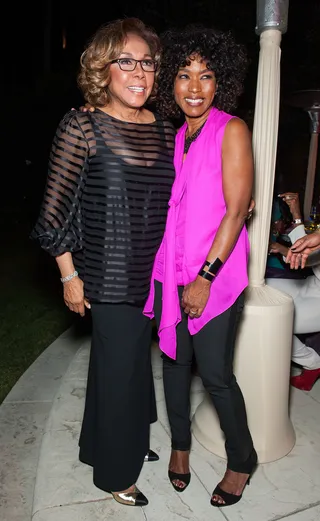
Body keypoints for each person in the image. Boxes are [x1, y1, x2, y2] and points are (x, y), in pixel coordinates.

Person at [30, 18, 176, 507]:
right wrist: (69, 275)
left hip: (154, 274)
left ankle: (109, 442)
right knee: (119, 371)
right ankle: (115, 472)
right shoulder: (82, 125)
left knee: (130, 364)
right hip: (109, 275)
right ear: (103, 68)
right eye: (126, 61)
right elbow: (54, 211)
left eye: (148, 62)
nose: (140, 72)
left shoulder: (166, 129)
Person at [143, 25, 257, 508]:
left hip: (212, 276)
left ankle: (241, 460)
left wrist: (205, 279)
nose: (194, 87)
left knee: (214, 375)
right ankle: (181, 447)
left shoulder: (230, 128)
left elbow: (237, 209)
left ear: (221, 82)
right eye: (185, 76)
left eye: (206, 76)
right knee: (174, 363)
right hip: (171, 270)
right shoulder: (178, 135)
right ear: (170, 81)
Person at [267, 193, 320, 391]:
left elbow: (309, 258)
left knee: (275, 322)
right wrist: (296, 214)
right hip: (311, 284)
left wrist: (282, 249)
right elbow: (310, 254)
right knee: (257, 290)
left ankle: (313, 363)